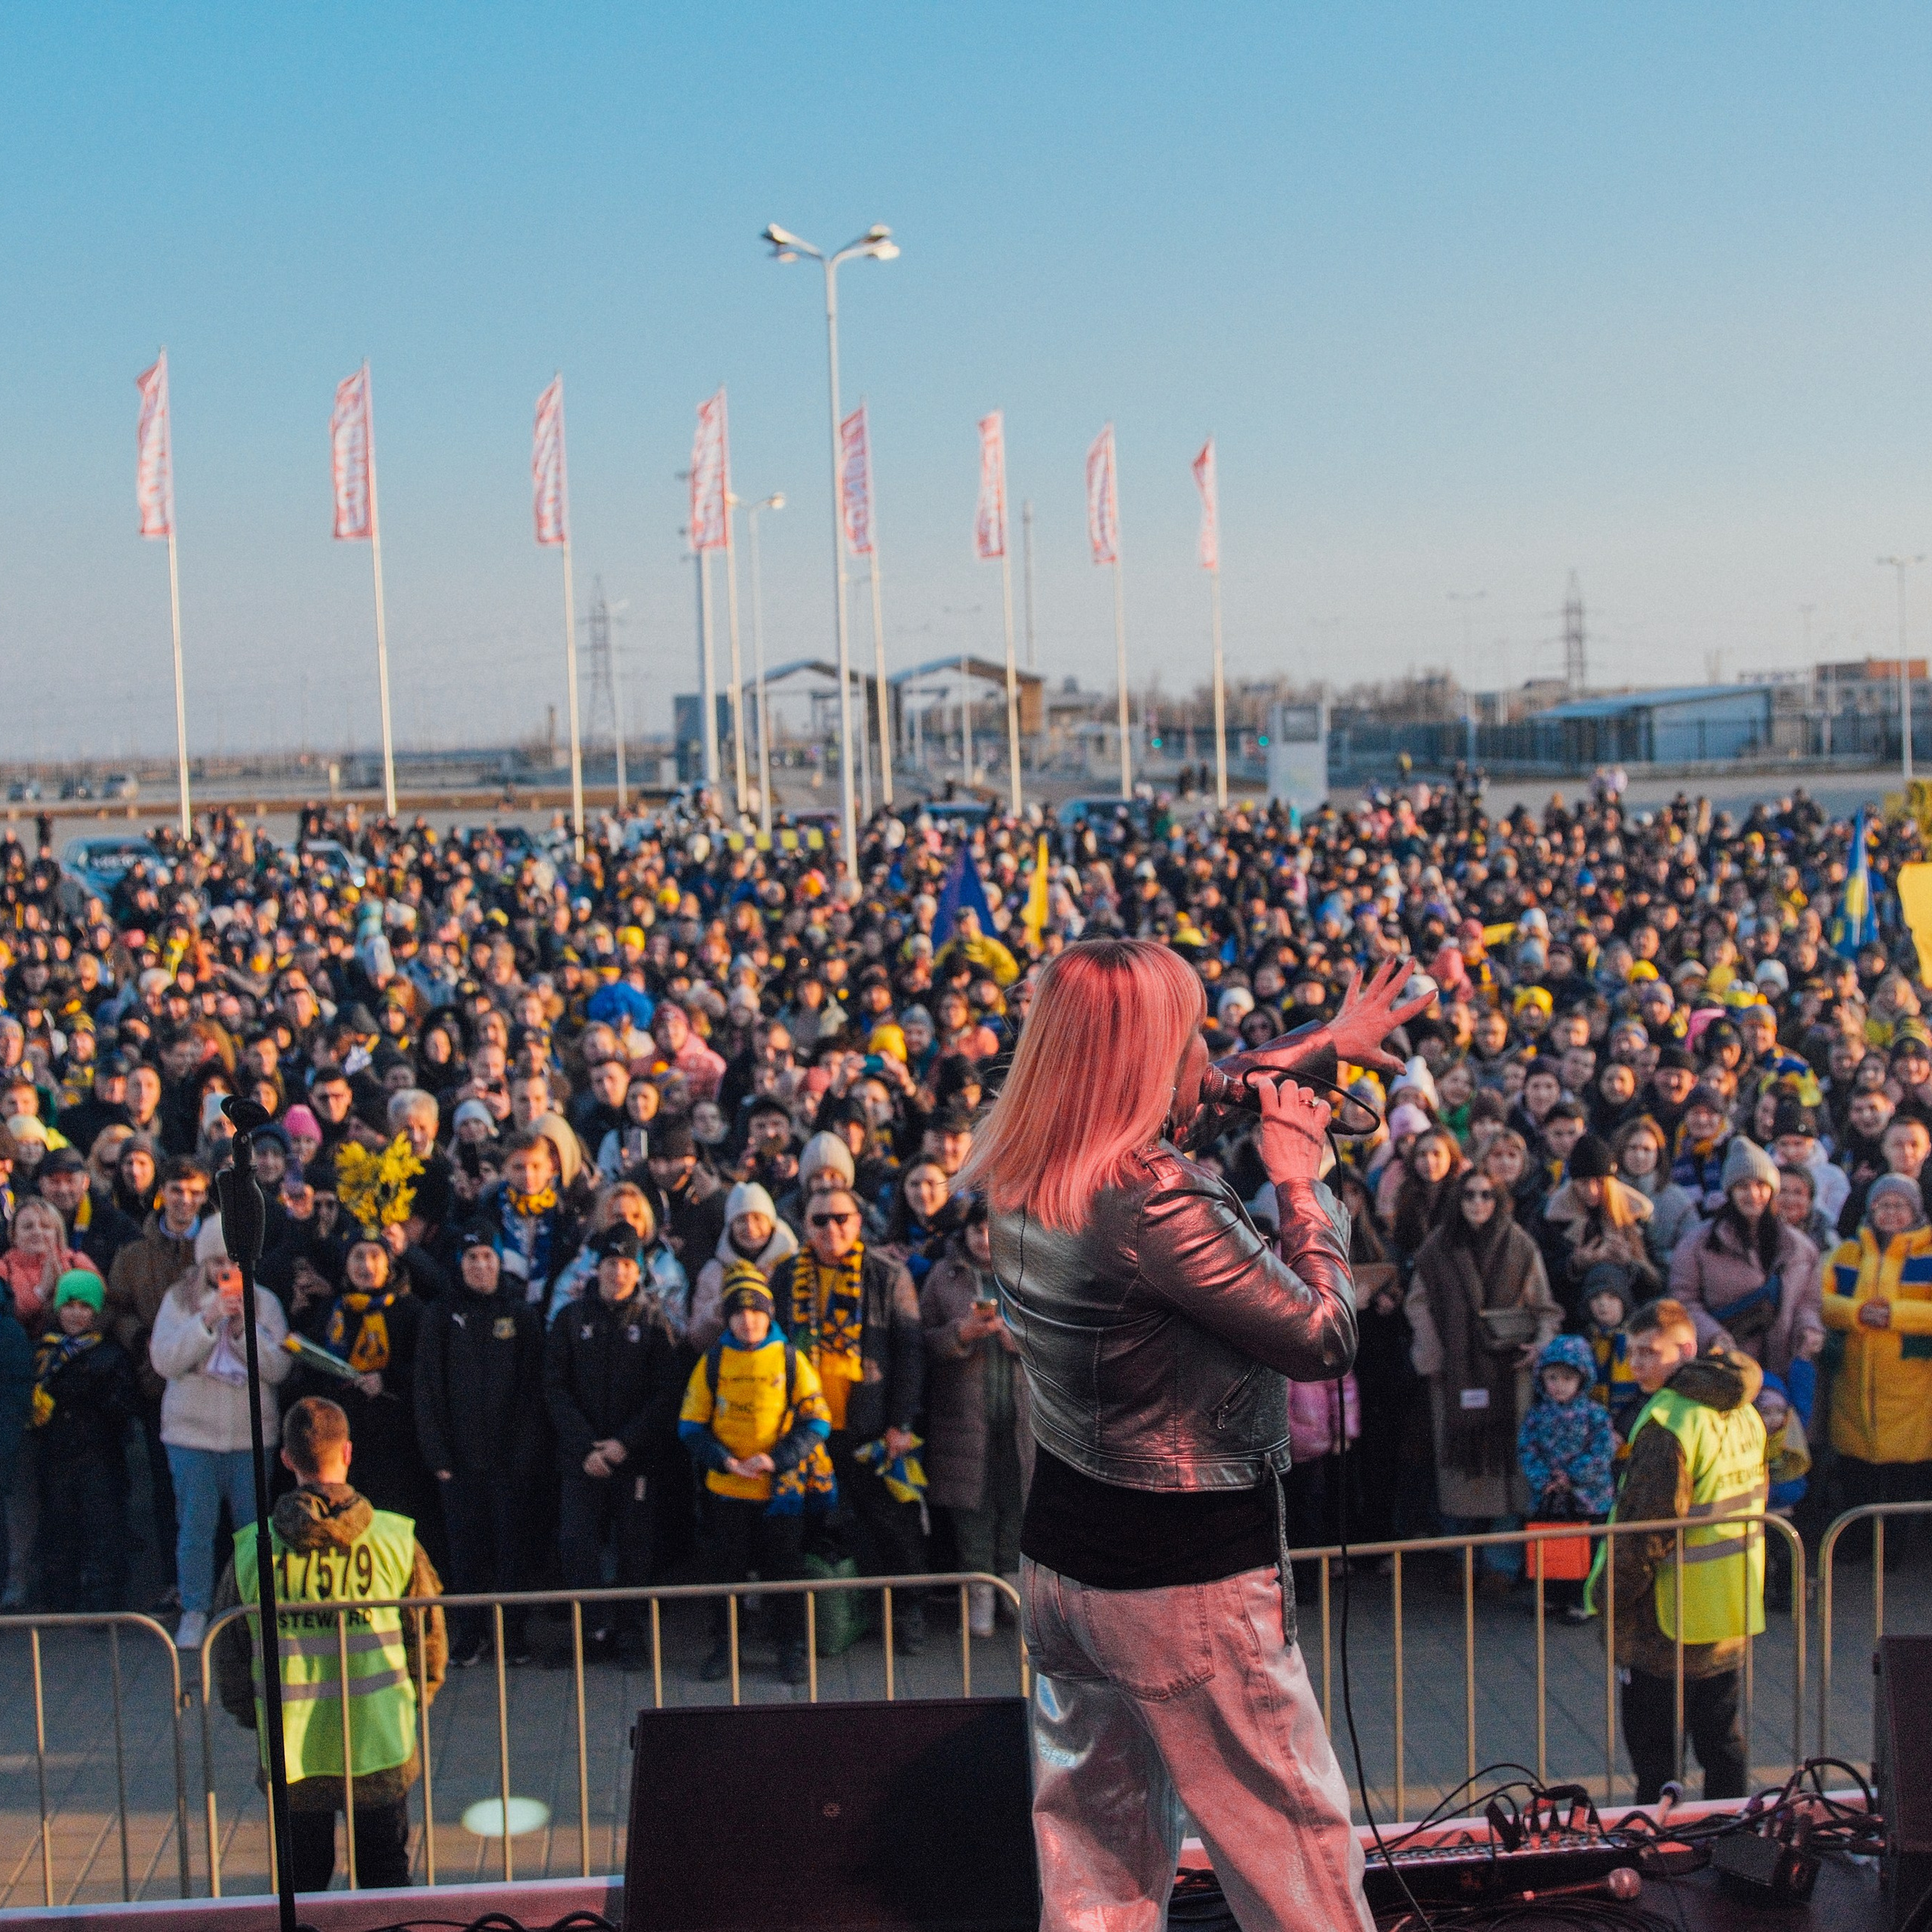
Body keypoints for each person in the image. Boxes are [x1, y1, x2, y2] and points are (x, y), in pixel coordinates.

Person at [966, 940, 1426, 1932]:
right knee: (1295, 1862)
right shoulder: (1159, 1202)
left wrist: (1323, 1043)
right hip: (1186, 1583)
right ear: (1144, 1056)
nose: (1209, 1051)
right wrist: (1302, 1182)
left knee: (1097, 1871)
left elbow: (1205, 1088)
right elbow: (1323, 1335)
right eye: (1192, 1031)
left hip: (1066, 1562)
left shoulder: (1024, 1155)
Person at [211, 1396, 446, 1894]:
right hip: (380, 1740)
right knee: (385, 1879)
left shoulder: (254, 1549)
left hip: (293, 1747)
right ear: (348, 1453)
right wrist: (416, 1698)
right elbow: (426, 1637)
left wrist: (251, 1713)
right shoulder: (394, 1539)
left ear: (287, 1460)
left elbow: (228, 1647)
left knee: (302, 1889)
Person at [1602, 1300, 1766, 1803]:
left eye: (1651, 1352)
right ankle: (1731, 1842)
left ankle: (1657, 1859)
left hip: (1666, 1621)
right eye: (1631, 1352)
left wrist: (1612, 1601)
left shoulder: (1669, 1421)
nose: (1637, 1364)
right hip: (1731, 1608)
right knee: (1723, 1746)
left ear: (1688, 1350)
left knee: (1657, 1763)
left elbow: (1645, 1533)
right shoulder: (1742, 1409)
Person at [768, 1183, 928, 1651]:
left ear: (859, 1224)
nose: (831, 1228)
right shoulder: (784, 1276)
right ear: (804, 1226)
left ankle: (909, 1611)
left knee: (891, 1523)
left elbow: (910, 1354)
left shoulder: (887, 1274)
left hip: (872, 1426)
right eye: (820, 1220)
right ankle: (822, 1622)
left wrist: (903, 1423)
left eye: (842, 1218)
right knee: (815, 1529)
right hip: (807, 1430)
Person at [1406, 1165, 1561, 1589]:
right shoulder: (1436, 1248)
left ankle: (1501, 1563)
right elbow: (1416, 1303)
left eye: (1487, 1195)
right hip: (1453, 1375)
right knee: (1457, 1468)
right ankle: (1461, 1559)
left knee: (1509, 1466)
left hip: (1509, 1374)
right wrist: (1433, 1348)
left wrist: (1539, 1345)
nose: (1478, 1203)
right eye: (1470, 1195)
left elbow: (1546, 1308)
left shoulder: (1521, 1245)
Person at [678, 1264, 834, 1686]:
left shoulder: (789, 1359)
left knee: (784, 1574)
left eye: (757, 1312)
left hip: (780, 1492)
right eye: (739, 1313)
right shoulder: (712, 1361)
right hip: (727, 1490)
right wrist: (723, 1460)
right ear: (727, 1318)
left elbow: (817, 1421)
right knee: (725, 1575)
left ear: (770, 1315)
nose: (749, 1320)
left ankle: (790, 1649)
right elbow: (691, 1425)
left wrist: (777, 1460)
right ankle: (724, 1649)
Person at [543, 1224, 683, 1660]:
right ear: (596, 1268)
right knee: (578, 1544)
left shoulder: (653, 1323)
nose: (617, 1274)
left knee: (635, 1548)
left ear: (637, 1270)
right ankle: (590, 1632)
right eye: (610, 1264)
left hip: (634, 1459)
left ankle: (628, 1633)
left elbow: (665, 1395)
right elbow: (554, 1388)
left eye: (626, 1265)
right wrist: (587, 1446)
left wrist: (625, 1444)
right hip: (582, 1459)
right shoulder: (571, 1320)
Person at [149, 1251, 292, 1650]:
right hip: (191, 1437)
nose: (224, 1270)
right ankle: (195, 1609)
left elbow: (279, 1368)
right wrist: (207, 1319)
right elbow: (164, 1361)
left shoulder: (265, 1302)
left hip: (250, 1438)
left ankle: (255, 1608)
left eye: (233, 1260)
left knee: (252, 1530)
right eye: (216, 1262)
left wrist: (245, 1329)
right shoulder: (179, 1299)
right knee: (195, 1528)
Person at [414, 1231, 545, 1666]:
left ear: (499, 1260)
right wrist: (439, 1460)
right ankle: (469, 1634)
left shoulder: (521, 1315)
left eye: (487, 1256)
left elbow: (533, 1390)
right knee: (465, 1554)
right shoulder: (440, 1315)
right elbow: (427, 1389)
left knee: (512, 1551)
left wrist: (526, 1456)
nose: (480, 1266)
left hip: (510, 1464)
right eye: (471, 1257)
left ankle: (513, 1635)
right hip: (459, 1463)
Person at [919, 1198, 1031, 1638]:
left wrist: (1017, 1340)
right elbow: (922, 1341)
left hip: (1023, 1413)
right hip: (965, 1414)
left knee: (1018, 1503)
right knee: (973, 1508)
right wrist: (960, 1334)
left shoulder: (1030, 1271)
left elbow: (1059, 1337)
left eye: (992, 1229)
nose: (984, 1239)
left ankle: (1013, 1590)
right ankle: (979, 1593)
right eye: (976, 1230)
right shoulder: (943, 1277)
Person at [1820, 1173, 1932, 1532]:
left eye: (1900, 1205)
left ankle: (1896, 1550)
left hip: (1911, 1389)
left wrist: (1895, 1316)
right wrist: (1856, 1313)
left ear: (1915, 1210)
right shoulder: (1848, 1251)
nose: (1891, 1213)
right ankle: (1857, 1544)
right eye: (1883, 1205)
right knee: (1857, 1478)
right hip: (1853, 1384)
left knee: (1904, 1480)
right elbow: (1819, 1301)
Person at [1669, 1136, 1824, 1377]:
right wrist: (1713, 1335)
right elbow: (1684, 1301)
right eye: (1743, 1186)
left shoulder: (1800, 1248)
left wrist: (1809, 1330)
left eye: (1760, 1185)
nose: (1753, 1194)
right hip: (1725, 1369)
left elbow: (1808, 1302)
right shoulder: (1697, 1244)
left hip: (1783, 1368)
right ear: (1730, 1191)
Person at [30, 1270, 134, 1611]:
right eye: (69, 1305)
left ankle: (102, 1601)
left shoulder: (110, 1354)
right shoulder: (45, 1352)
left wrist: (87, 1393)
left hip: (98, 1456)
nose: (76, 1313)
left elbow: (120, 1407)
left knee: (101, 1530)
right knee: (60, 1529)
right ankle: (60, 1600)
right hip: (55, 1456)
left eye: (84, 1306)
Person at [1516, 1334, 1614, 1623]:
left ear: (1582, 1379)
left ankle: (1581, 1601)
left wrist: (1572, 1476)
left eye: (1567, 1378)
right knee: (1550, 1548)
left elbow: (1602, 1450)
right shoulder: (1537, 1415)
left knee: (1586, 1552)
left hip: (1588, 1499)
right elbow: (1527, 1449)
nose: (1559, 1385)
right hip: (1549, 1496)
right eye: (1552, 1377)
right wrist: (1543, 1478)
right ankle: (1551, 1597)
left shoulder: (1594, 1414)